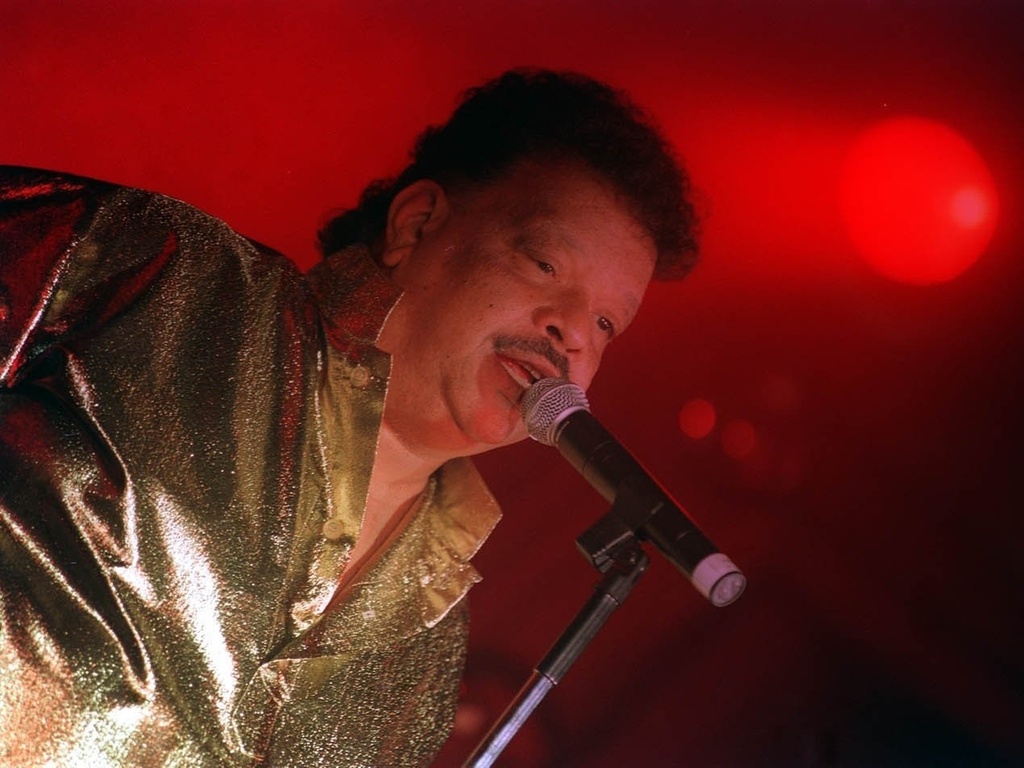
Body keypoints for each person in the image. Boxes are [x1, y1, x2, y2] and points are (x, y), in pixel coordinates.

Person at [0, 69, 698, 766]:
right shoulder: (172, 283)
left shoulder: (428, 657)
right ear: (417, 223)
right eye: (545, 264)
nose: (572, 332)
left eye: (607, 323)